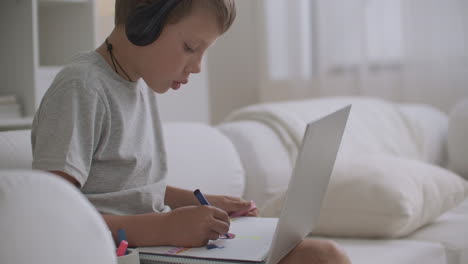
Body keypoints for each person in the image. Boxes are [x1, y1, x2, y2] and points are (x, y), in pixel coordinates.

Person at [31, 0, 351, 263]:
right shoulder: (82, 87)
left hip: (156, 248)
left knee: (322, 255)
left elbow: (127, 187)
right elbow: (53, 214)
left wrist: (197, 202)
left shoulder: (135, 84)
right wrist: (162, 228)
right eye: (190, 47)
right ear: (144, 24)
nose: (197, 66)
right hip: (118, 253)